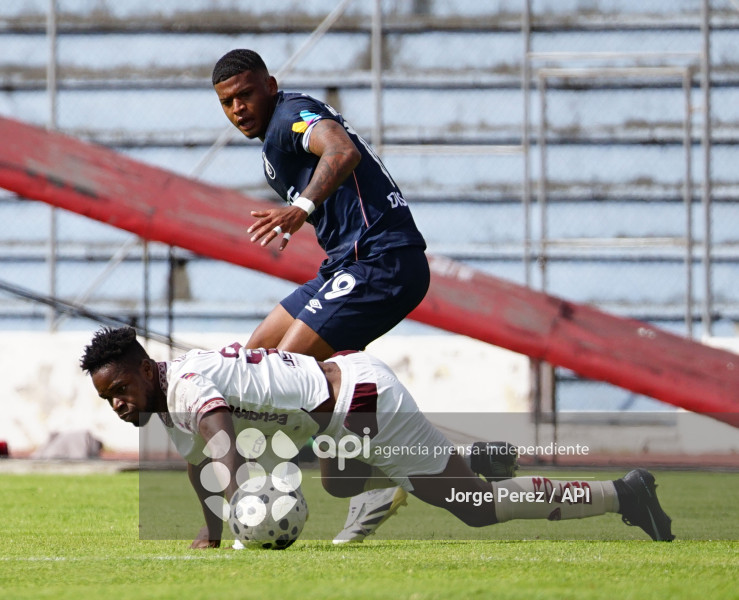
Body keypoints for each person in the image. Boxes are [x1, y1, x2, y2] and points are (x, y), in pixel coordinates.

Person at [80, 327, 675, 548]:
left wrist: (243, 508)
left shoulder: (183, 388)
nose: (118, 403)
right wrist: (211, 534)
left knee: (477, 509)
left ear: (143, 368)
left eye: (120, 389)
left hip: (361, 403)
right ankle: (461, 459)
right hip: (346, 406)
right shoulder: (171, 396)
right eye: (109, 399)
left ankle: (624, 493)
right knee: (340, 481)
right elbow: (197, 464)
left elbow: (218, 440)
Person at [210, 48, 433, 542]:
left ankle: (263, 501)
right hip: (345, 265)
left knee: (283, 376)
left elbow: (341, 150)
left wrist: (302, 208)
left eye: (246, 94)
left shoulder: (292, 116)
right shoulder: (271, 148)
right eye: (228, 102)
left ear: (269, 85)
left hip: (383, 260)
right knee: (255, 361)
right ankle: (395, 472)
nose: (239, 108)